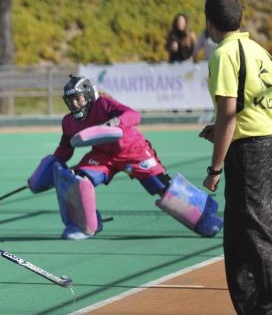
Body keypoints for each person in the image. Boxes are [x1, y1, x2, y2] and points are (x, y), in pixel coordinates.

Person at [27, 75, 223, 241]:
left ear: (88, 95)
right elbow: (65, 148)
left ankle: (203, 216)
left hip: (133, 152)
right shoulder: (69, 123)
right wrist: (52, 166)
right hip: (103, 156)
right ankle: (84, 224)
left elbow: (133, 115)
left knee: (161, 186)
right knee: (77, 180)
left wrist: (116, 122)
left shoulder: (103, 104)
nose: (74, 104)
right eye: (70, 101)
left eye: (78, 99)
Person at [198, 0, 272, 315]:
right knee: (239, 235)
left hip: (250, 151)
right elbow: (253, 107)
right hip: (262, 143)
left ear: (209, 21)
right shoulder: (258, 51)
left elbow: (228, 112)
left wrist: (214, 169)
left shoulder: (224, 55)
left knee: (256, 235)